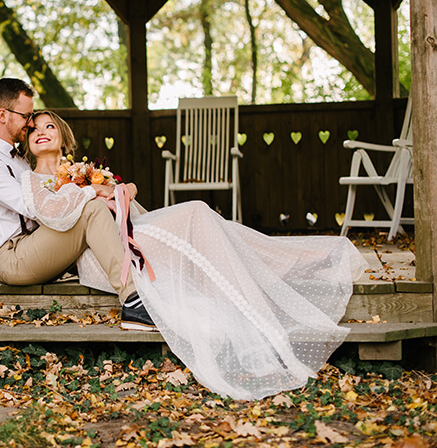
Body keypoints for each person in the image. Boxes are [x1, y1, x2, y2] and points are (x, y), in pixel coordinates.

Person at [19, 109, 367, 401]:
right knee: (198, 217)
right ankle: (278, 275)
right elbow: (52, 212)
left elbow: (125, 195)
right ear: (26, 142)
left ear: (63, 137)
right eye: (33, 129)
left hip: (134, 232)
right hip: (106, 254)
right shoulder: (32, 180)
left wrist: (115, 188)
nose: (41, 132)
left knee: (203, 221)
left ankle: (284, 268)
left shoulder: (84, 171)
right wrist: (91, 191)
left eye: (49, 126)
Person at [0, 78, 155, 331]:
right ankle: (133, 302)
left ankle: (153, 269)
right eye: (26, 116)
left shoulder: (21, 160)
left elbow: (53, 202)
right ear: (2, 115)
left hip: (39, 243)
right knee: (91, 209)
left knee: (98, 207)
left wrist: (105, 193)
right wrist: (92, 190)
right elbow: (34, 207)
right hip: (14, 258)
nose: (30, 123)